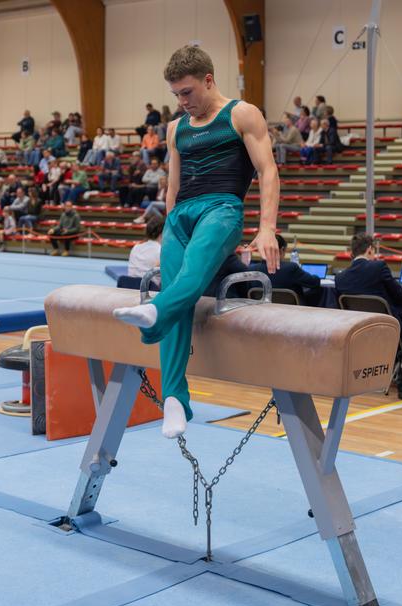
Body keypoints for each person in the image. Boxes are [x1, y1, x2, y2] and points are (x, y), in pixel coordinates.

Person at [113, 45, 280, 439]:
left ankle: (157, 312)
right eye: (176, 95)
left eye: (187, 92)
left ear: (208, 80)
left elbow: (267, 170)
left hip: (221, 209)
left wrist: (267, 227)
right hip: (182, 215)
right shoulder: (175, 128)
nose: (182, 101)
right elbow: (172, 188)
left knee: (186, 278)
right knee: (179, 295)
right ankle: (175, 399)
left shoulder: (240, 113)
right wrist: (171, 226)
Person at [335, 233, 402, 336]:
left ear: (352, 253)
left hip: (356, 331)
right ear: (370, 249)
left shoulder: (339, 278)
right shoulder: (379, 267)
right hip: (385, 327)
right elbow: (399, 294)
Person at [251, 234, 321, 303]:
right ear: (282, 250)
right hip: (291, 311)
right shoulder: (291, 268)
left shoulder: (252, 269)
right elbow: (314, 282)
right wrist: (317, 277)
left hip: (261, 311)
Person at [128, 215, 164, 282]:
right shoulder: (161, 251)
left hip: (130, 288)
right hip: (150, 290)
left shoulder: (136, 247)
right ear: (162, 233)